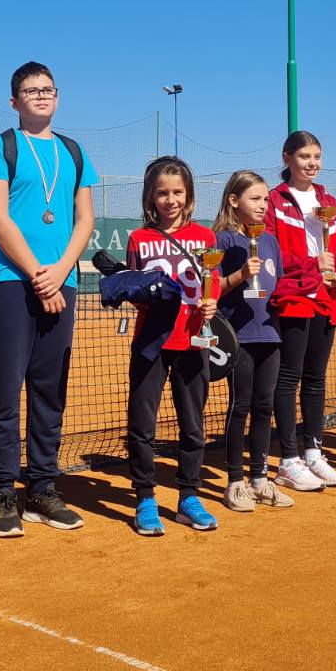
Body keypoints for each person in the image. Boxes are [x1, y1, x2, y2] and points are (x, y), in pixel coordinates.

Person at [0, 62, 98, 537]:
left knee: (50, 389)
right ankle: (3, 490)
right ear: (15, 101)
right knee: (5, 389)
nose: (41, 96)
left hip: (61, 281)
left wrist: (60, 272)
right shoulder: (2, 146)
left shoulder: (74, 151)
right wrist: (36, 274)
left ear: (58, 96)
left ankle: (43, 488)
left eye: (48, 89)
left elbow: (85, 220)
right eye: (31, 91)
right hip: (9, 279)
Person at [124, 156, 220, 535]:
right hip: (151, 342)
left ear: (188, 195)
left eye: (177, 192)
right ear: (151, 196)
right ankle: (145, 497)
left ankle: (189, 497)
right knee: (142, 423)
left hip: (194, 341)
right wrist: (139, 296)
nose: (170, 200)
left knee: (193, 424)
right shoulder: (139, 239)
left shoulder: (206, 238)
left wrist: (212, 302)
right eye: (162, 193)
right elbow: (134, 289)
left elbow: (212, 282)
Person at [265, 130, 336, 491]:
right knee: (289, 376)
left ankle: (314, 452)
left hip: (325, 298)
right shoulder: (274, 201)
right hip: (293, 297)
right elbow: (270, 251)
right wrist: (311, 264)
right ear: (287, 158)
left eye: (317, 156)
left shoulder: (329, 202)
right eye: (304, 156)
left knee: (316, 378)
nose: (312, 163)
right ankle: (288, 459)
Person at [212, 170, 293, 512]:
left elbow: (279, 284)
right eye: (255, 198)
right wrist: (241, 274)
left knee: (264, 406)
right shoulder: (221, 240)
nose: (263, 205)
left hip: (270, 334)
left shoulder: (270, 240)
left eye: (265, 199)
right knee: (240, 406)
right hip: (238, 337)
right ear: (234, 200)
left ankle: (260, 479)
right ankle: (235, 482)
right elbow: (213, 288)